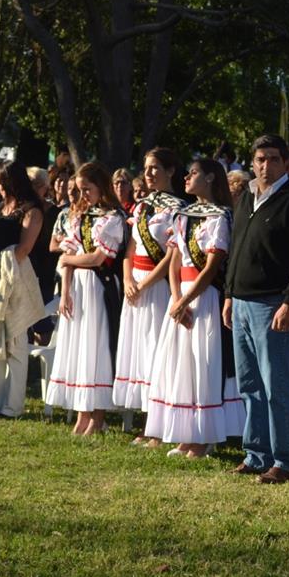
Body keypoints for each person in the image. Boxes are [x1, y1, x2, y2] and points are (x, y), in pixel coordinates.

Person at [223, 134, 289, 484]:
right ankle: (257, 453)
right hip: (242, 302)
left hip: (272, 304)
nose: (265, 165)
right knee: (249, 384)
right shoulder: (247, 195)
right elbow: (236, 246)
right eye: (260, 159)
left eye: (273, 159)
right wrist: (229, 293)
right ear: (253, 161)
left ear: (286, 163)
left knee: (276, 384)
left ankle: (287, 460)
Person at [145, 158, 243, 457]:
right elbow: (174, 258)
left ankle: (203, 437)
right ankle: (186, 434)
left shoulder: (220, 216)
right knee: (181, 363)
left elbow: (212, 268)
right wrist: (176, 299)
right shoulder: (183, 214)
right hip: (182, 295)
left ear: (211, 178)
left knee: (203, 364)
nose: (187, 176)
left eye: (194, 172)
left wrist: (185, 301)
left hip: (205, 298)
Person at [46, 162, 126, 435]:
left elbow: (98, 257)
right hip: (78, 287)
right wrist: (65, 291)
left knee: (96, 347)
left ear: (100, 186)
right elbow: (67, 255)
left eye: (87, 189)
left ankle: (98, 415)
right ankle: (82, 413)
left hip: (99, 287)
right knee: (79, 348)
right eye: (79, 190)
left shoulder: (113, 218)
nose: (83, 196)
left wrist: (68, 258)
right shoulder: (81, 215)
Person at [114, 148, 185, 440]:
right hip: (135, 282)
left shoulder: (180, 207)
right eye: (146, 168)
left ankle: (158, 426)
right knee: (139, 351)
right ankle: (146, 421)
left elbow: (171, 256)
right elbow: (130, 248)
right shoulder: (142, 207)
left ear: (170, 171)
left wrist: (145, 284)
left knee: (156, 351)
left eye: (155, 168)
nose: (149, 173)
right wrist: (129, 278)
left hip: (157, 286)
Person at [0, 162, 47, 419]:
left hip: (17, 281)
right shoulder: (0, 209)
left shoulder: (32, 211)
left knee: (17, 344)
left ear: (11, 182)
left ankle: (13, 406)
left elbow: (23, 249)